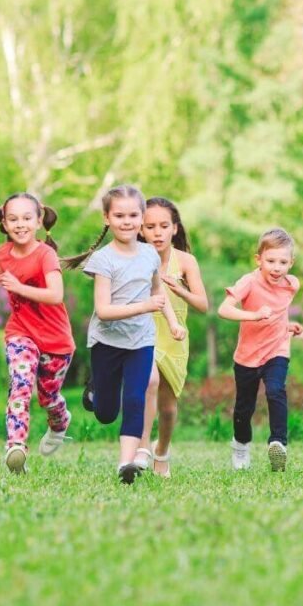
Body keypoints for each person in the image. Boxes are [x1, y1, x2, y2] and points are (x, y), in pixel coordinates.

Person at [66, 185, 186, 484]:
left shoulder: (149, 255)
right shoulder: (103, 260)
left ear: (142, 217)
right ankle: (96, 388)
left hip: (141, 341)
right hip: (107, 342)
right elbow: (104, 310)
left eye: (133, 215)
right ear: (107, 218)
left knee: (136, 397)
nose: (127, 221)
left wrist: (172, 322)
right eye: (119, 215)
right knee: (106, 413)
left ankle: (126, 463)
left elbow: (158, 291)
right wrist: (144, 305)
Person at [0, 193, 75, 474]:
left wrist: (18, 288)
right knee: (20, 383)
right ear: (4, 223)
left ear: (39, 221)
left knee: (48, 397)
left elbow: (56, 295)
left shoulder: (46, 254)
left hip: (56, 339)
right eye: (13, 219)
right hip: (21, 332)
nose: (20, 224)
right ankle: (15, 447)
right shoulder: (4, 252)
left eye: (27, 218)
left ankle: (59, 421)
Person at [135, 197, 208, 477]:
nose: (157, 232)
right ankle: (141, 450)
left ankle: (161, 450)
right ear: (141, 230)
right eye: (150, 226)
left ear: (174, 229)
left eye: (163, 225)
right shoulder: (135, 259)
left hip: (175, 338)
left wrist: (180, 291)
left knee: (167, 408)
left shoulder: (186, 261)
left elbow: (203, 305)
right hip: (143, 334)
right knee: (146, 387)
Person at [218, 228, 302, 472]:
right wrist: (253, 315)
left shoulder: (291, 284)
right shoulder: (249, 282)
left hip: (277, 349)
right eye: (271, 261)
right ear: (259, 260)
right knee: (245, 407)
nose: (277, 268)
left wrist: (287, 326)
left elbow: (278, 312)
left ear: (291, 263)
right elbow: (224, 309)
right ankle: (240, 446)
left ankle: (278, 443)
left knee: (276, 390)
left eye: (283, 262)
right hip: (247, 355)